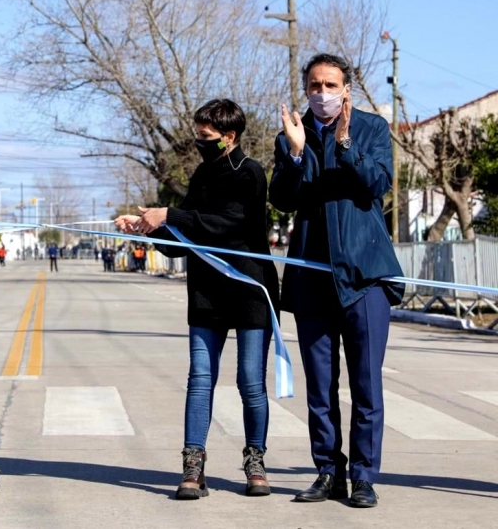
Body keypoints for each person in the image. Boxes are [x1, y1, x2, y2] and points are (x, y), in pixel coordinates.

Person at [116, 99, 279, 500]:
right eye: (197, 135)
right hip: (206, 292)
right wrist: (146, 229)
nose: (198, 143)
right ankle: (193, 464)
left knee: (250, 382)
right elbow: (183, 243)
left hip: (249, 290)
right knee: (200, 378)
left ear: (229, 136)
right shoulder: (201, 176)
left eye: (205, 137)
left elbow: (230, 226)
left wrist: (169, 215)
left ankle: (255, 461)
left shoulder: (251, 173)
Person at [270, 53, 405, 508]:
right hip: (312, 280)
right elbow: (283, 200)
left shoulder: (372, 128)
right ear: (305, 88)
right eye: (314, 85)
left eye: (330, 84)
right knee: (320, 387)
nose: (321, 93)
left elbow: (376, 184)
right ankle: (328, 471)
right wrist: (293, 152)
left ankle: (364, 476)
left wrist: (345, 144)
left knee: (366, 385)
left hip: (364, 279)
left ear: (346, 88)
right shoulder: (293, 134)